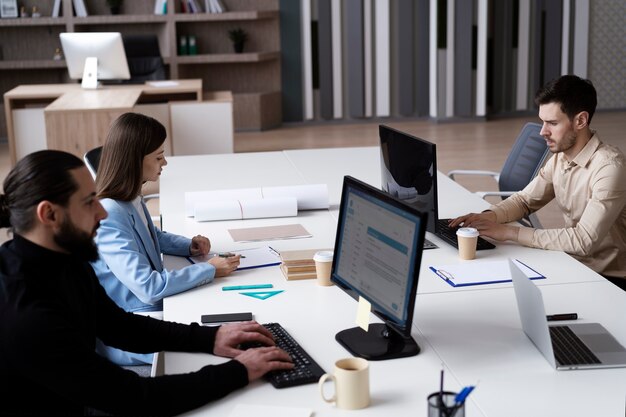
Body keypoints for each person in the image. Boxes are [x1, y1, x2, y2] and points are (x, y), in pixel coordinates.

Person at [0, 150, 293, 416]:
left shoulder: (64, 256)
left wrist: (211, 338)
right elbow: (136, 397)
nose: (102, 212)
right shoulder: (26, 315)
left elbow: (118, 325)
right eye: (90, 202)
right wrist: (239, 371)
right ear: (49, 214)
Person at [91, 112, 241, 365]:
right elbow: (149, 288)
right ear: (134, 161)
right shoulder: (110, 214)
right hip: (134, 327)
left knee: (228, 321)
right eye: (158, 157)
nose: (165, 163)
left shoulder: (129, 198)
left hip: (152, 312)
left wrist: (188, 246)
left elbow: (152, 235)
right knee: (223, 341)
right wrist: (208, 270)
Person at [450, 75, 626, 288]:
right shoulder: (561, 157)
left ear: (580, 120)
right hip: (573, 263)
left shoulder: (609, 168)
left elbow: (583, 240)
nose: (543, 131)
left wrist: (509, 233)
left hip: (610, 279)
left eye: (552, 123)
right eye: (542, 121)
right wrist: (487, 217)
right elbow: (525, 201)